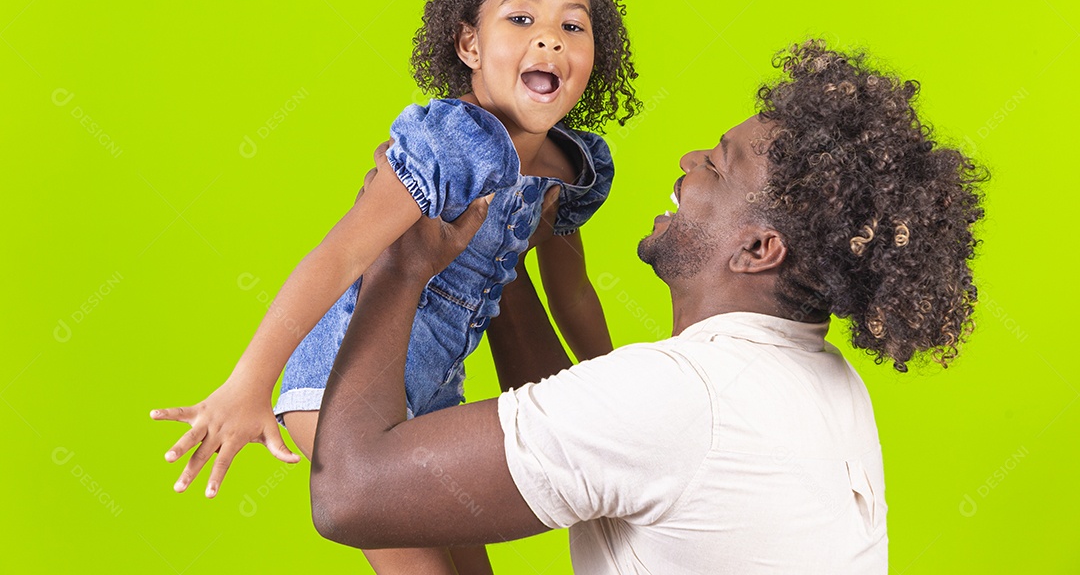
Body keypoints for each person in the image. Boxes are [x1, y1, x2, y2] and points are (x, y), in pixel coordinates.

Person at [306, 41, 987, 574]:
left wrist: (400, 262)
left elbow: (351, 495)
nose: (690, 160)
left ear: (757, 248)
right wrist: (498, 251)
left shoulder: (684, 400)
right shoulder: (823, 382)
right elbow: (580, 423)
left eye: (717, 167)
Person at [150, 0, 639, 575]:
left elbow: (572, 291)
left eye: (571, 25)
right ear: (469, 45)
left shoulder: (566, 169)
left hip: (433, 397)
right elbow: (341, 253)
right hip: (338, 388)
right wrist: (249, 383)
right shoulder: (444, 144)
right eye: (521, 19)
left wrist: (616, 396)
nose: (549, 40)